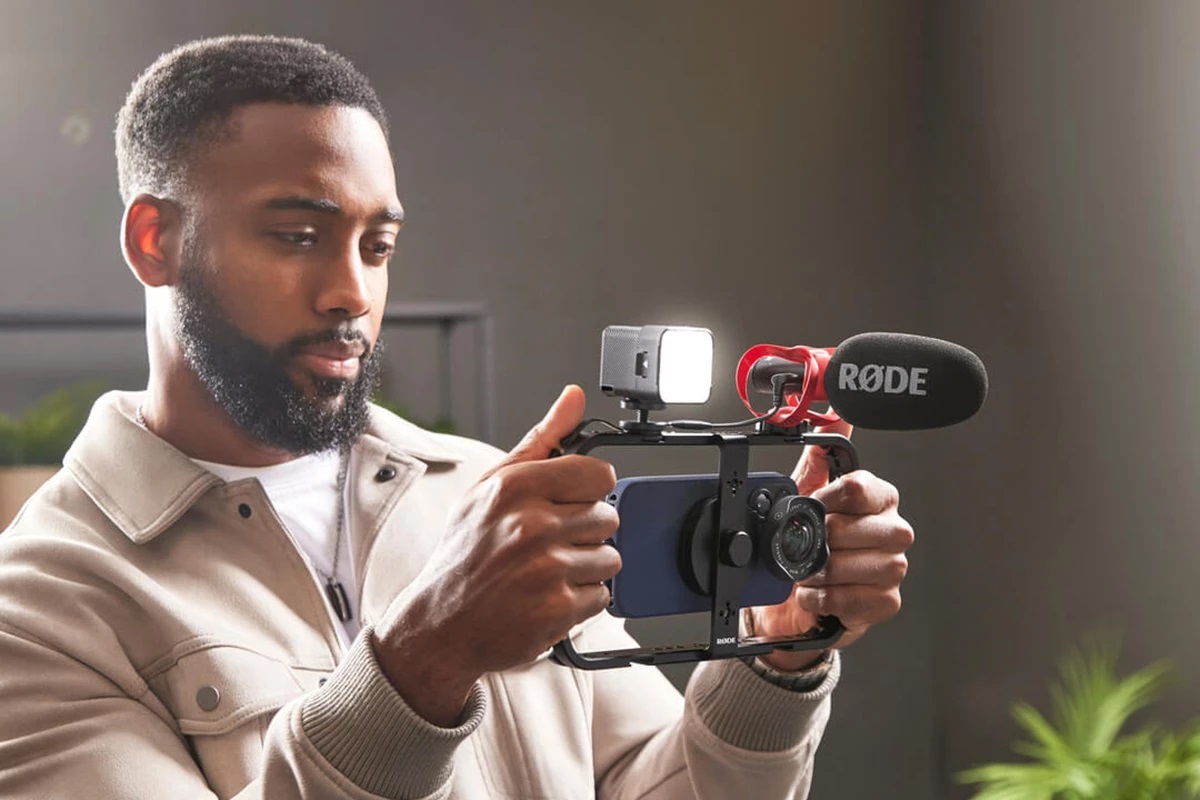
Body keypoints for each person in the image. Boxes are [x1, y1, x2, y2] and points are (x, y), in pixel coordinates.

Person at [0, 35, 914, 799]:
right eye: (297, 236)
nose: (350, 292)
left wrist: (774, 660)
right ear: (155, 241)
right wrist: (425, 659)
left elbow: (660, 784)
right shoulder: (40, 609)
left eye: (377, 245)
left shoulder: (488, 495)